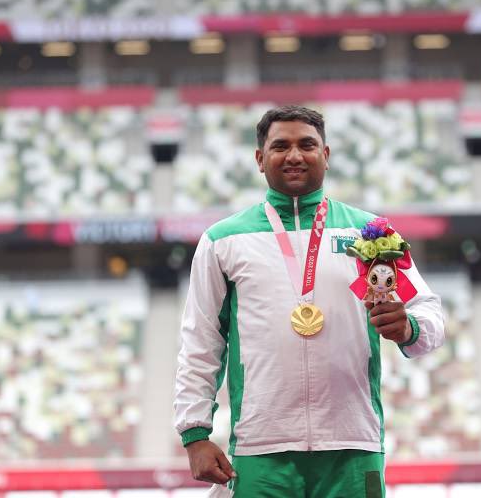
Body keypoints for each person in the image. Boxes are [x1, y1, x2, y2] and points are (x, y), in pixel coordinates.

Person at [174, 105, 445, 497]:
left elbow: (428, 314)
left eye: (307, 145)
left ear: (327, 155)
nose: (295, 155)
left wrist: (408, 327)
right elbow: (200, 342)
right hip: (260, 448)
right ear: (259, 159)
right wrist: (195, 434)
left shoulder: (369, 232)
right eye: (280, 146)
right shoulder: (223, 241)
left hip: (353, 445)